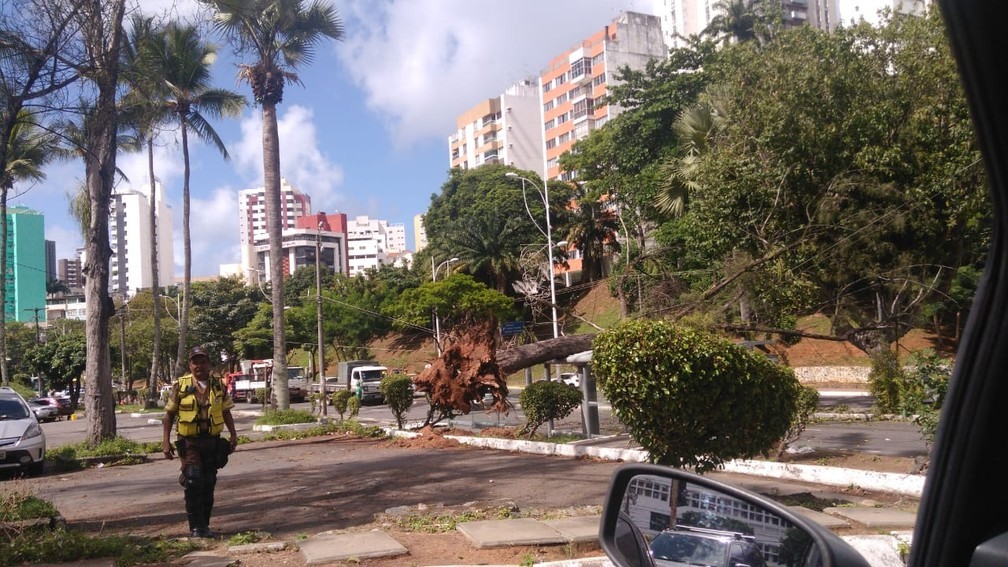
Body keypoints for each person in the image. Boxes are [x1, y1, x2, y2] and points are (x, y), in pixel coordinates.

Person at [162, 346, 238, 538]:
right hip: (189, 443)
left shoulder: (218, 385)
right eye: (195, 362)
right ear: (190, 365)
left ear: (208, 363)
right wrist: (165, 442)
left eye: (203, 361)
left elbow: (226, 412)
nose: (199, 366)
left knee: (209, 482)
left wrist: (233, 435)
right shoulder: (181, 385)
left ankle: (205, 524)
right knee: (194, 482)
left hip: (212, 442)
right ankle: (196, 527)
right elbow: (169, 415)